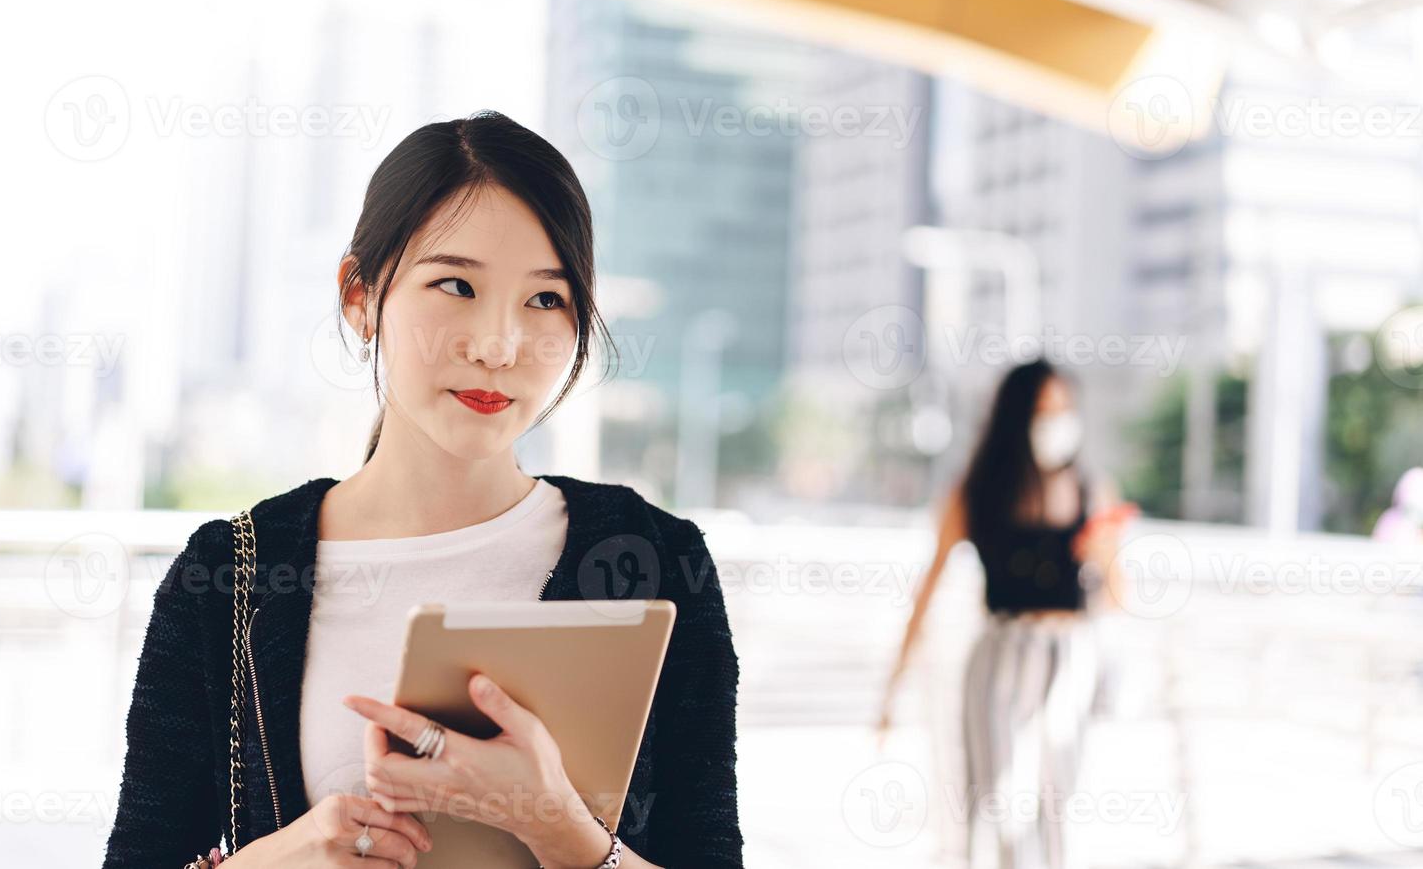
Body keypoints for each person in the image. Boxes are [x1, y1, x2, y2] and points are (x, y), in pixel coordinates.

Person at [102, 112, 744, 869]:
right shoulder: (228, 575)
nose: (498, 345)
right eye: (456, 285)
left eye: (546, 299)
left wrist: (558, 827)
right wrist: (284, 855)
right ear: (360, 296)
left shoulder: (655, 560)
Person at [876, 359, 1134, 869]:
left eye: (1065, 408)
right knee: (996, 799)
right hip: (1001, 652)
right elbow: (927, 591)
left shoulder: (1091, 488)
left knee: (1059, 804)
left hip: (1070, 653)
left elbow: (1118, 596)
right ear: (1017, 415)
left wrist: (1104, 557)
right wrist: (893, 688)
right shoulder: (974, 492)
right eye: (1044, 408)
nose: (1057, 420)